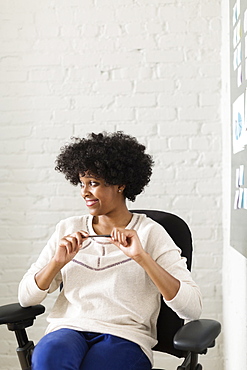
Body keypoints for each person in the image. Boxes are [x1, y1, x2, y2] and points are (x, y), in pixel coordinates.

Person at [18, 132, 202, 370]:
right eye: (82, 183)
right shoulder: (68, 229)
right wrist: (56, 262)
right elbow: (25, 297)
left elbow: (192, 307)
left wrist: (142, 258)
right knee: (48, 359)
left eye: (93, 183)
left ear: (120, 184)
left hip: (125, 335)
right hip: (68, 329)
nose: (85, 192)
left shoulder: (150, 232)